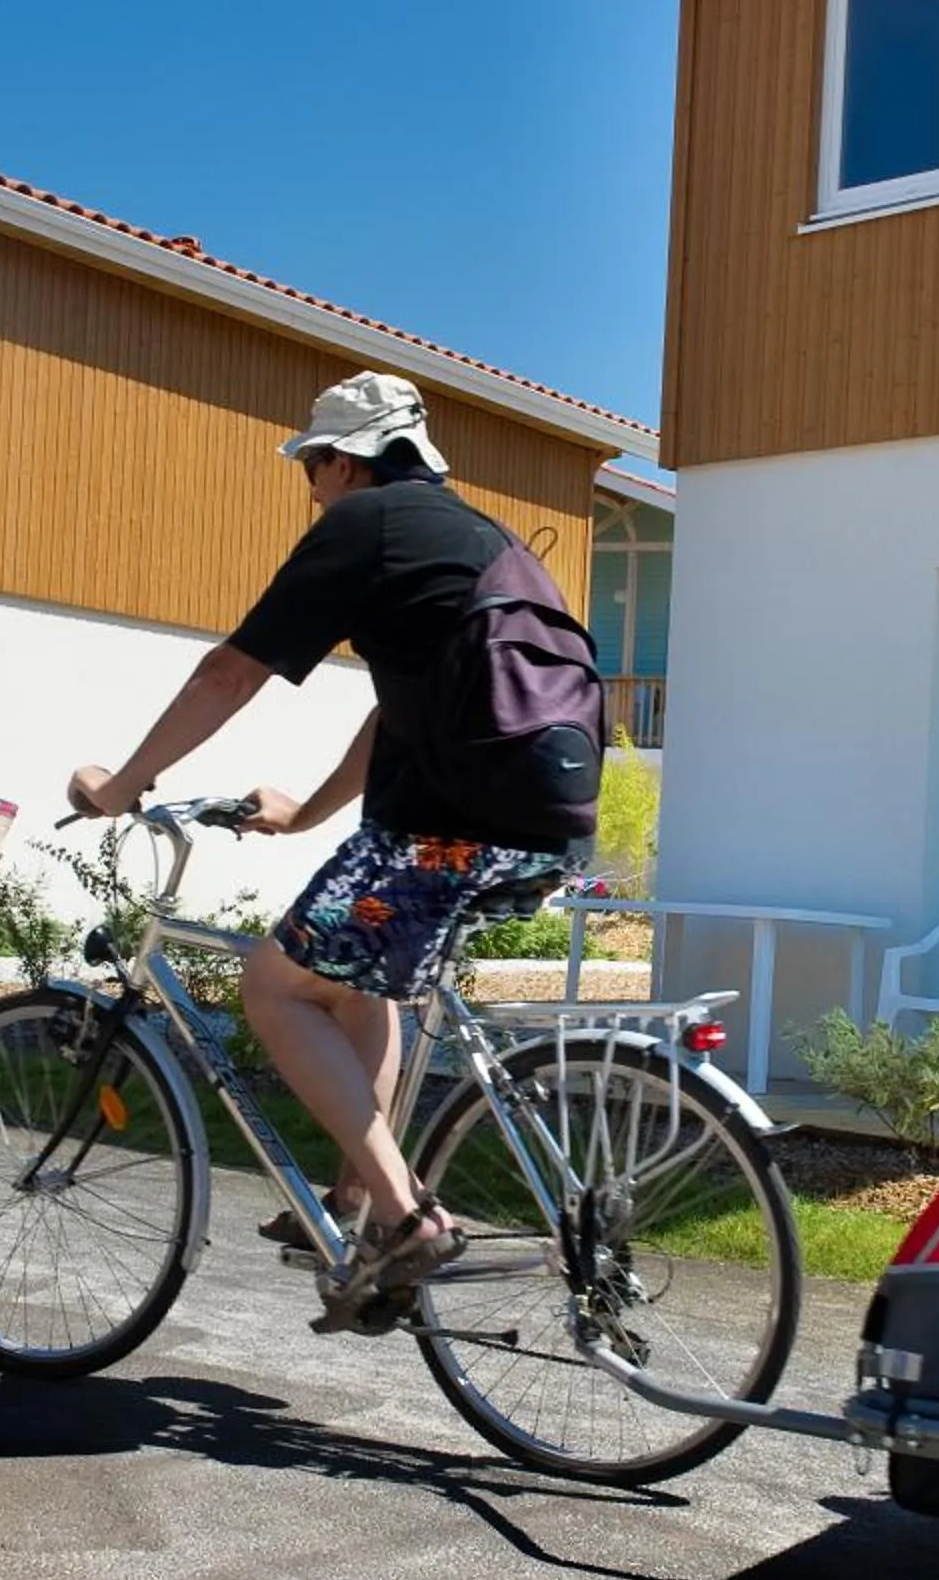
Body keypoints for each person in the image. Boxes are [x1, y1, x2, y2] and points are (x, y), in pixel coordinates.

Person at [65, 371, 574, 1331]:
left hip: (447, 825)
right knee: (352, 985)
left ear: (346, 461)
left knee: (272, 984)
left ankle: (407, 1216)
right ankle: (356, 1204)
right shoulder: (483, 538)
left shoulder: (367, 524)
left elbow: (230, 673)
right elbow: (397, 715)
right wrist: (303, 815)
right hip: (544, 813)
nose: (310, 490)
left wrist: (123, 783)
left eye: (311, 468)